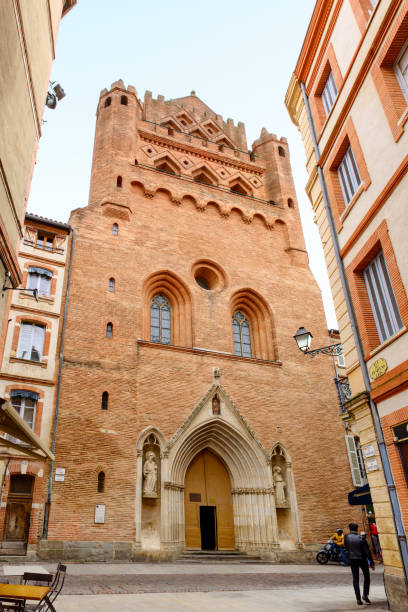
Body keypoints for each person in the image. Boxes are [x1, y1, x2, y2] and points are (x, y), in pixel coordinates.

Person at [344, 522, 375, 606]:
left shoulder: (346, 537)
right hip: (362, 559)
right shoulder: (361, 538)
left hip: (352, 560)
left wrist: (348, 558)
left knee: (355, 579)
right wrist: (371, 562)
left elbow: (346, 548)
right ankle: (365, 595)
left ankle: (358, 599)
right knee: (367, 577)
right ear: (357, 529)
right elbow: (367, 552)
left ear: (349, 529)